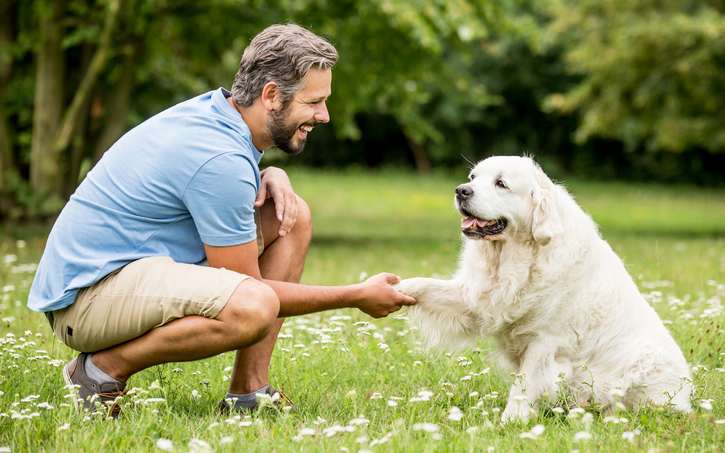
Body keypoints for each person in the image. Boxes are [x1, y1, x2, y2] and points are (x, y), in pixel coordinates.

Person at [27, 23, 416, 418]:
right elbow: (248, 287)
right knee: (253, 305)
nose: (325, 115)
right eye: (314, 102)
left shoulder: (220, 114)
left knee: (291, 216)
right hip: (86, 301)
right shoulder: (220, 158)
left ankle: (249, 392)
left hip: (124, 272)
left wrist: (270, 175)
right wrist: (354, 295)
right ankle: (97, 373)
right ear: (271, 96)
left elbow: (207, 184)